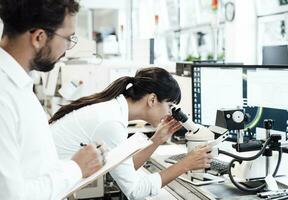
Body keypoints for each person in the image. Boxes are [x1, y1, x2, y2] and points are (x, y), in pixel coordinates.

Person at [49, 67, 213, 200]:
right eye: (169, 106)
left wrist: (157, 140)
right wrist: (186, 163)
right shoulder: (112, 123)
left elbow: (123, 166)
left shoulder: (113, 109)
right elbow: (135, 190)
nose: (170, 113)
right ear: (152, 100)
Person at [0, 1, 105, 199]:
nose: (67, 49)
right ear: (39, 37)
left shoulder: (19, 84)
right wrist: (75, 168)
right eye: (67, 38)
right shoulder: (3, 95)